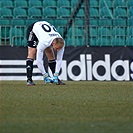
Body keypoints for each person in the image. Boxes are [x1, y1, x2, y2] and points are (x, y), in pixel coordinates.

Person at [26, 21, 65, 86]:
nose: (58, 50)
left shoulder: (62, 42)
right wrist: (45, 75)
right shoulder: (44, 42)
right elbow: (38, 61)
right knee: (32, 52)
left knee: (50, 53)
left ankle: (56, 79)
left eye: (59, 49)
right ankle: (29, 79)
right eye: (57, 48)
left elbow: (59, 59)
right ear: (53, 43)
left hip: (46, 35)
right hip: (33, 29)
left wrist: (56, 74)